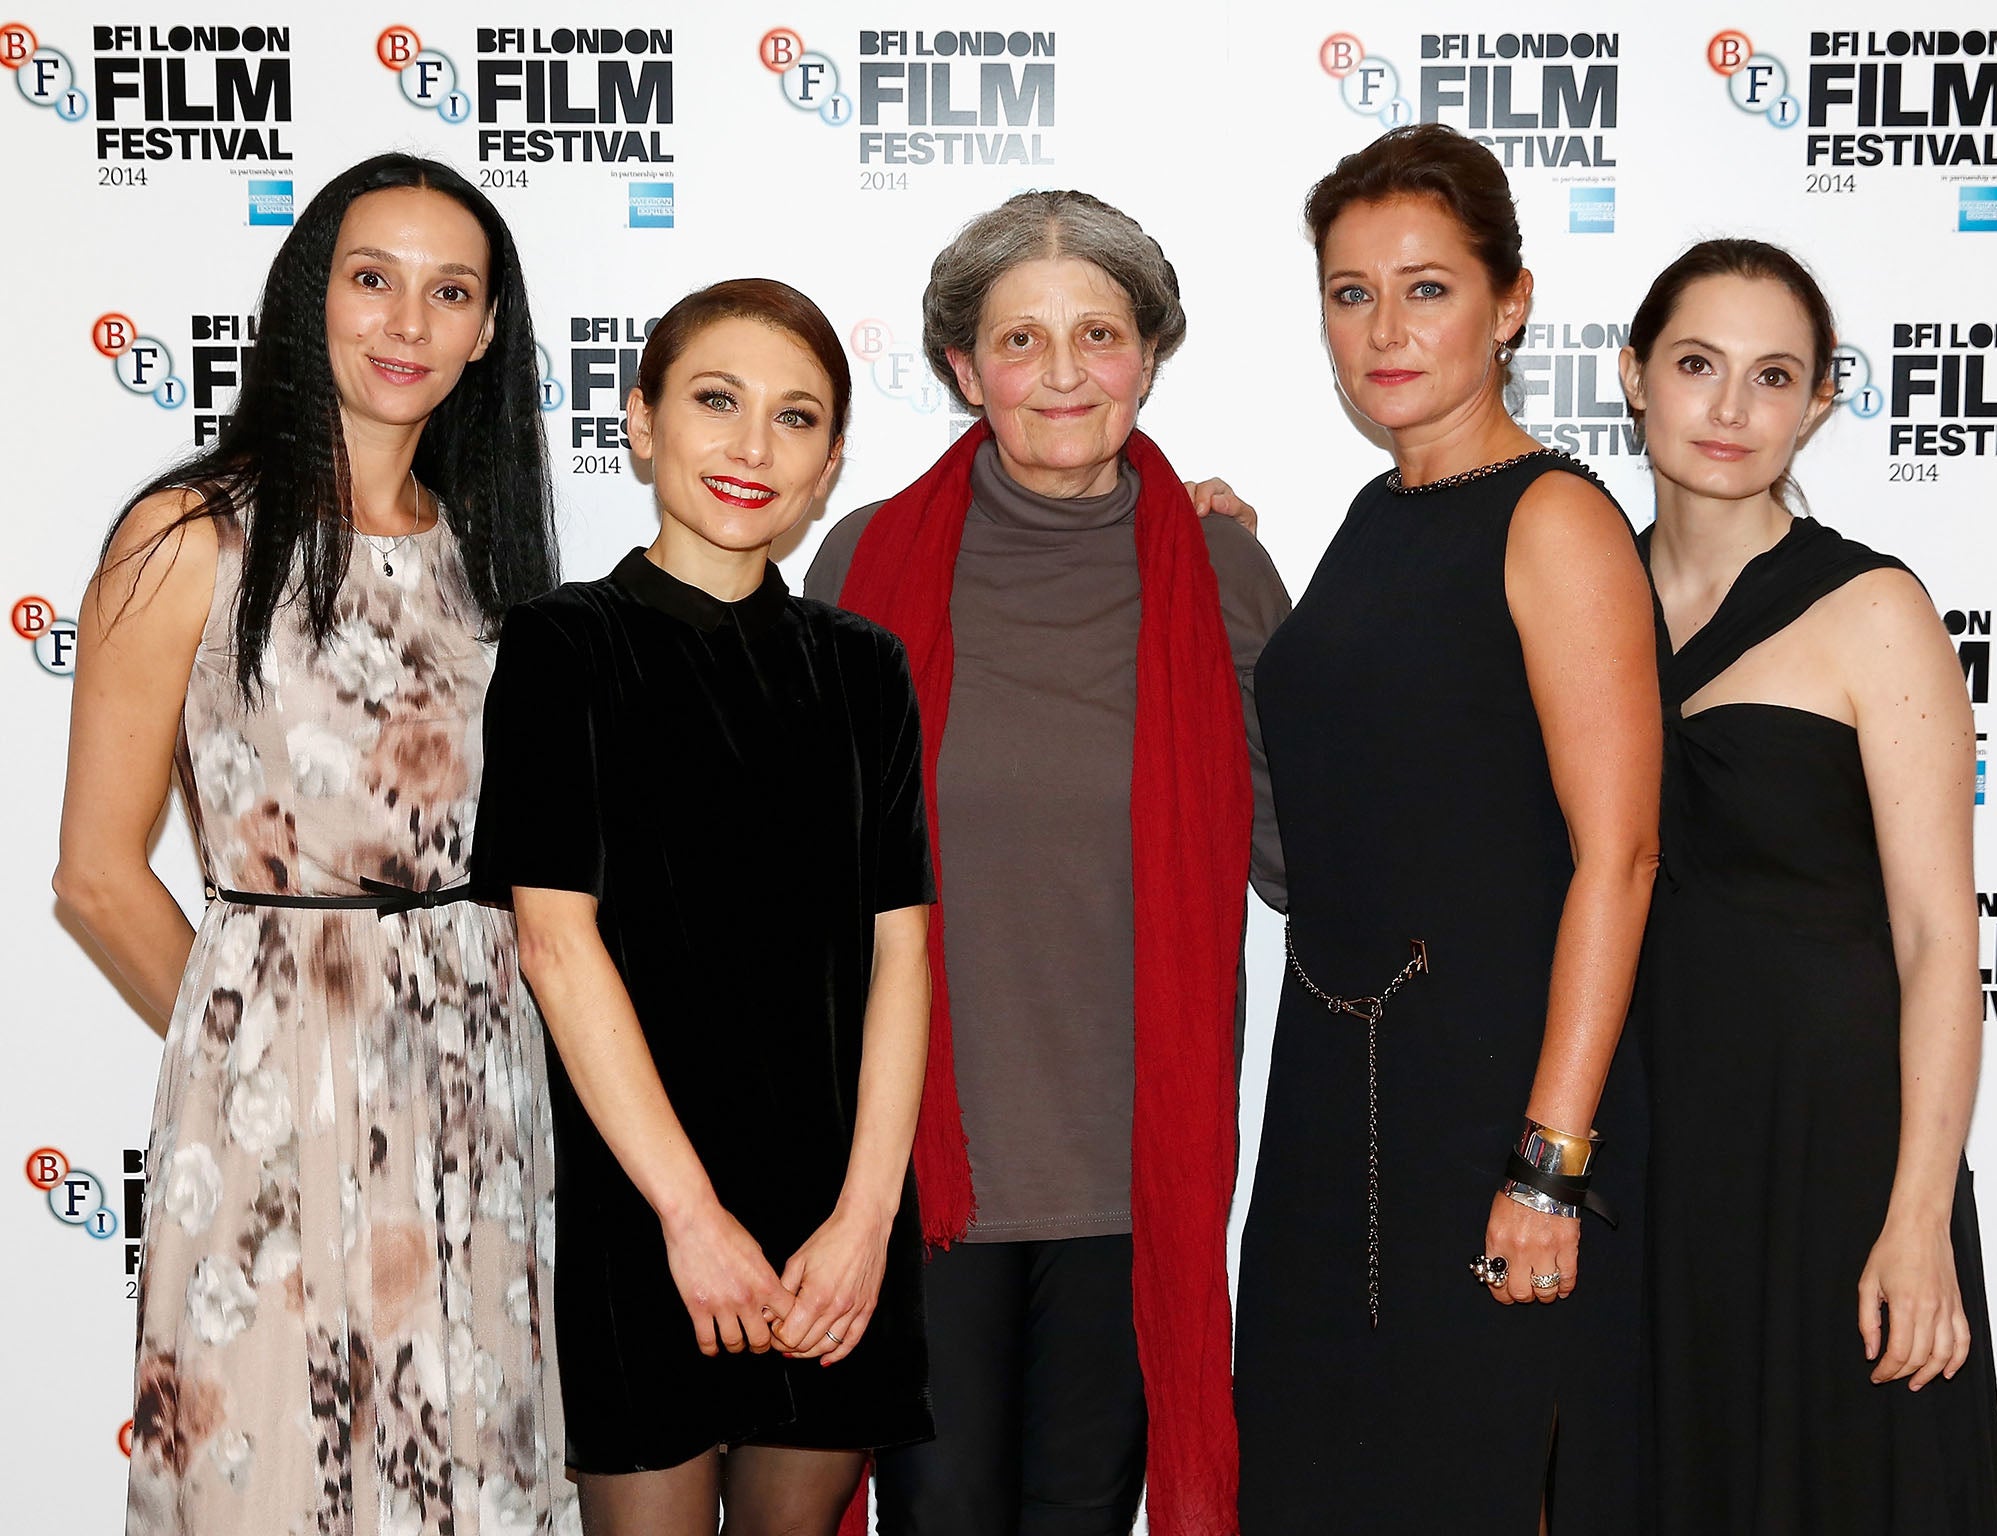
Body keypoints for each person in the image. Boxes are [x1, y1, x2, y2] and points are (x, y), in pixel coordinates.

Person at [53, 153, 572, 1533]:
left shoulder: (499, 564)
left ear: (487, 332)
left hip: (483, 1101)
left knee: (475, 1461)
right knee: (270, 1469)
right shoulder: (191, 538)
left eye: (448, 291)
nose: (407, 321)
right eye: (372, 279)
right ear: (310, 300)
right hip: (275, 1101)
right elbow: (98, 877)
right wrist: (268, 1054)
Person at [804, 189, 1291, 1536]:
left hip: (1130, 1171)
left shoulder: (1224, 571)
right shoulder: (863, 565)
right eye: (1022, 340)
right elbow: (805, 879)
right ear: (965, 368)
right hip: (918, 1168)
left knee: (1080, 1515)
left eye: (1100, 334)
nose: (1064, 374)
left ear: (1151, 354)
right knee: (941, 1510)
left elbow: (1297, 863)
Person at [1235, 122, 1662, 1532]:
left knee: (1474, 1483)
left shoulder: (1556, 519)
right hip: (1329, 1103)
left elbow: (1622, 856)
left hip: (1489, 1114)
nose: (1384, 328)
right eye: (1351, 293)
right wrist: (1222, 552)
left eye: (1427, 288)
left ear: (1512, 303)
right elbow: (1382, 738)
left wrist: (1548, 1165)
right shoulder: (1373, 510)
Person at [468, 278, 936, 1536]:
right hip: (644, 1217)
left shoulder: (863, 667)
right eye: (715, 402)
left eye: (794, 419)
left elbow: (903, 958)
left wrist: (865, 1224)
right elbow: (556, 947)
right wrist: (689, 1218)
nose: (749, 447)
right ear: (639, 422)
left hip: (832, 1232)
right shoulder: (563, 646)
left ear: (831, 461)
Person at [1621, 238, 1997, 1534]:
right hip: (1650, 1158)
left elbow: (1938, 941)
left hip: (1836, 1161)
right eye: (1696, 365)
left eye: (1773, 376)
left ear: (1821, 403)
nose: (1731, 409)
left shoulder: (1873, 610)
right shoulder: (1577, 599)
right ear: (1632, 378)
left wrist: (1917, 1220)